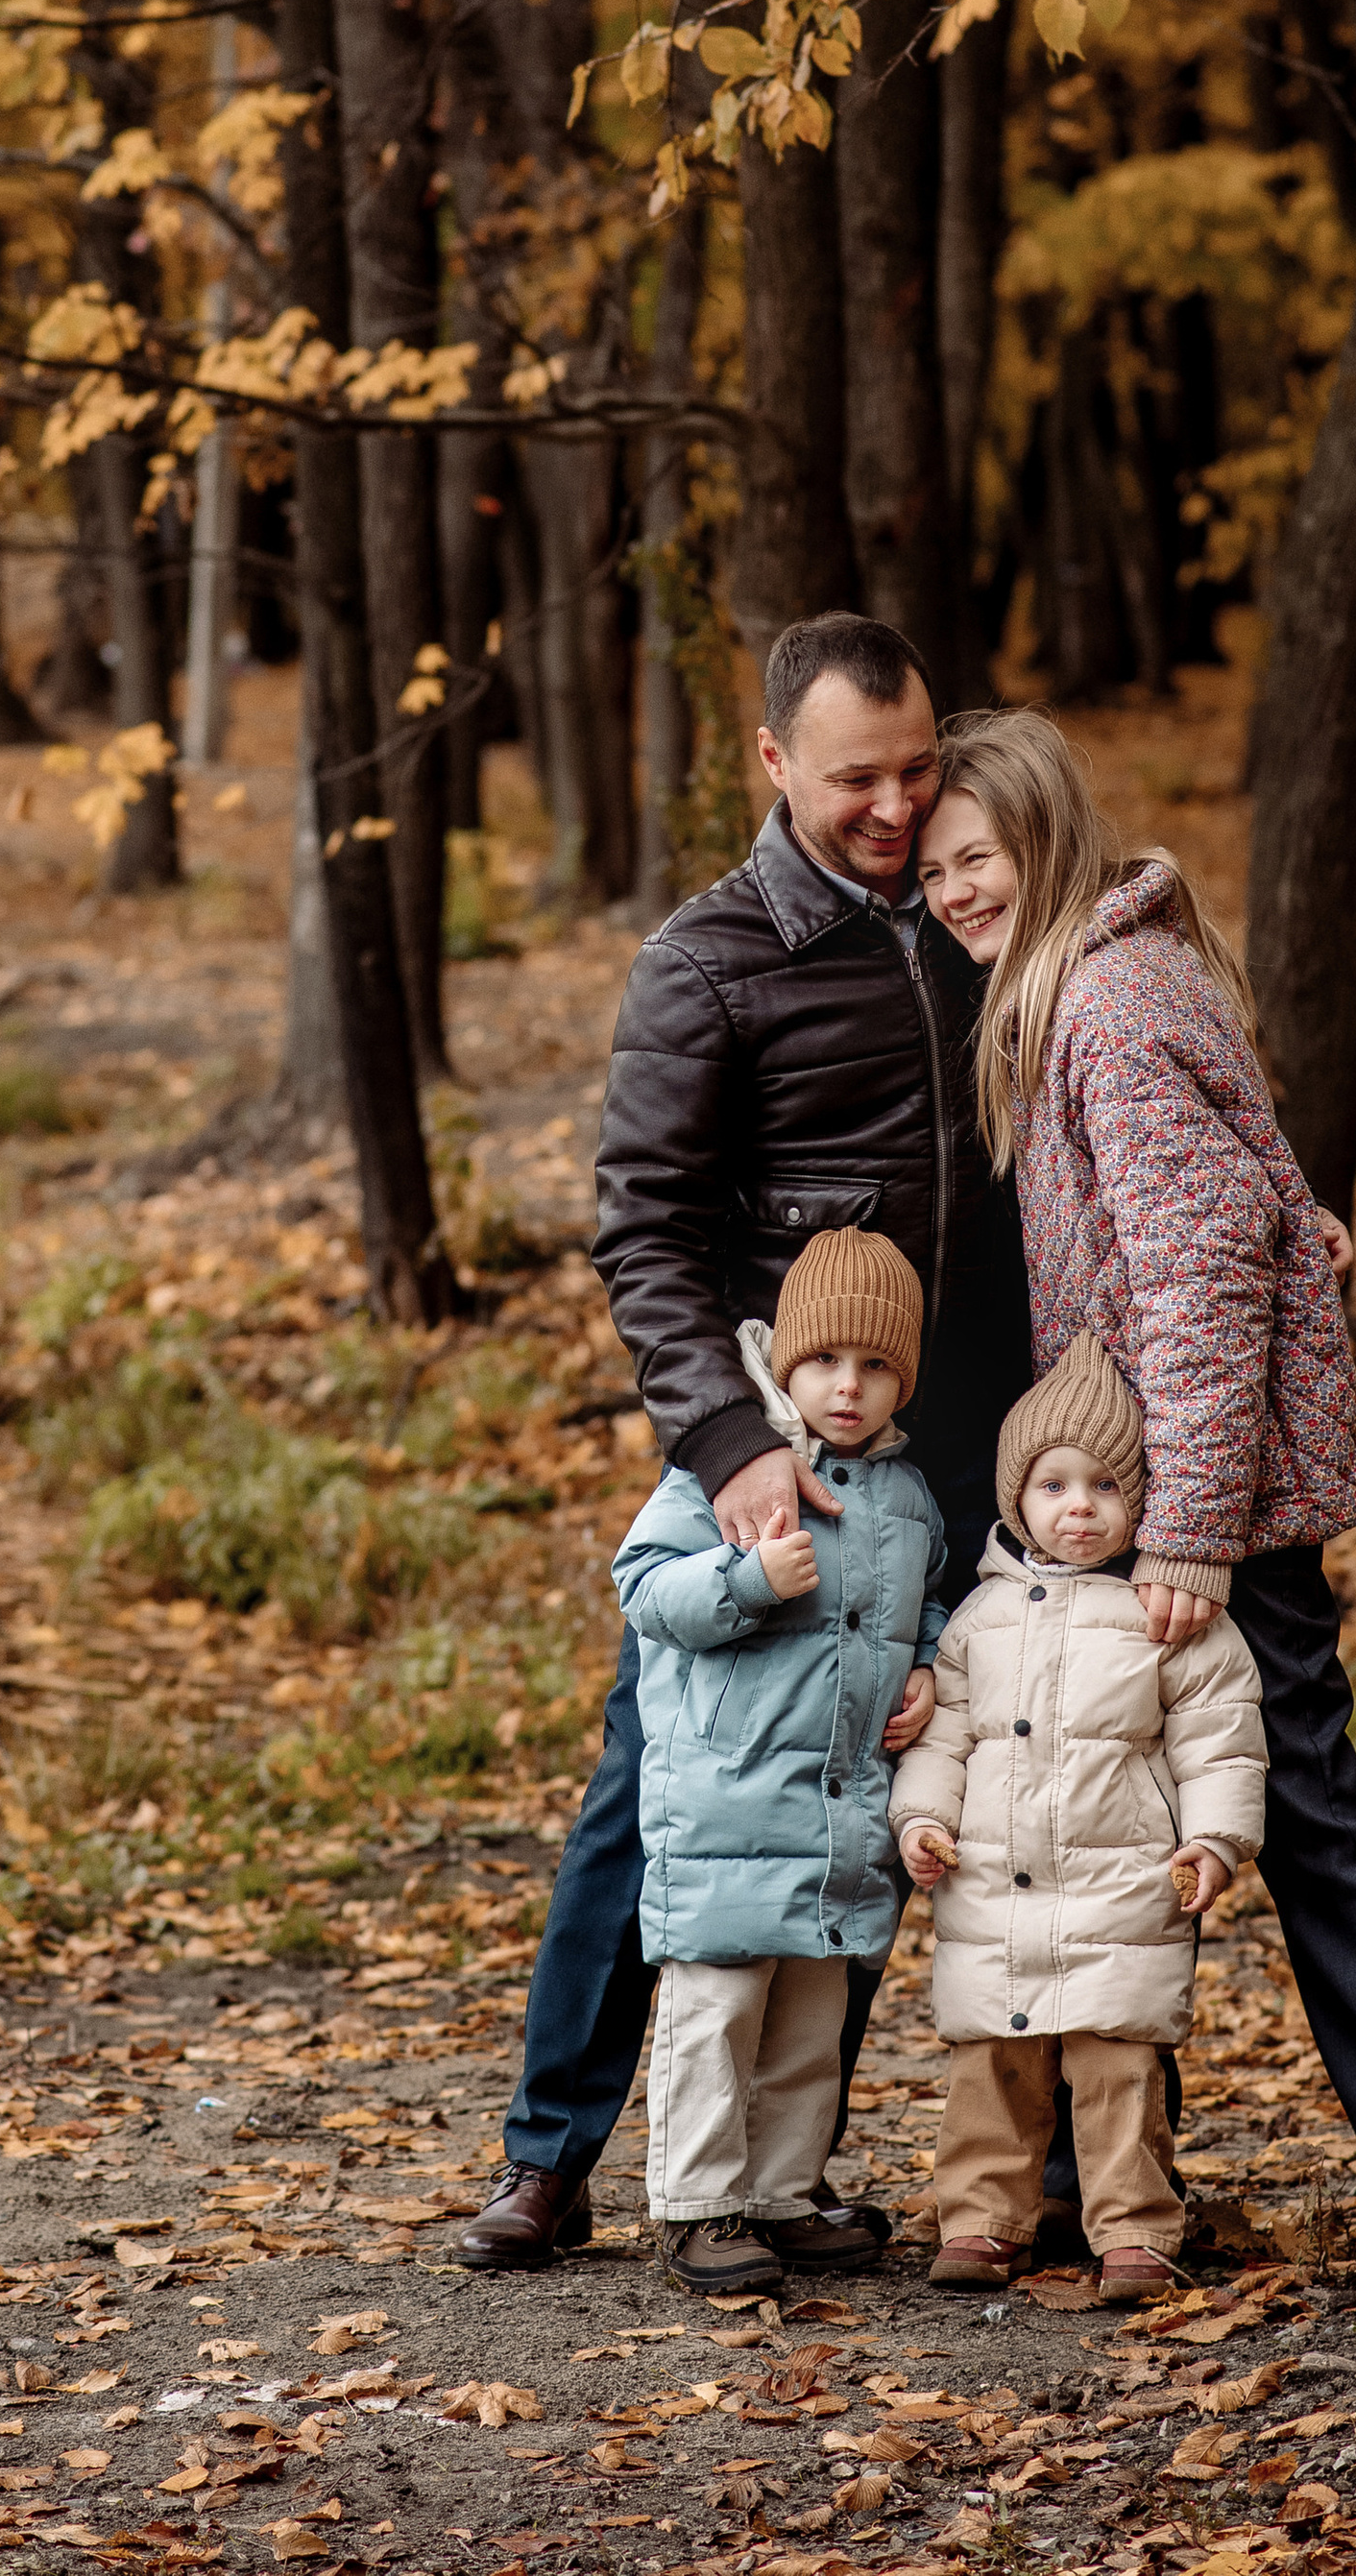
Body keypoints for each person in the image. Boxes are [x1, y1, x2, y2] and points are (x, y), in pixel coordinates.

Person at [915, 707, 1356, 2296]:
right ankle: (1084, 2187)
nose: (953, 892)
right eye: (932, 871)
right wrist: (1299, 1205)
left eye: (974, 859)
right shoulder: (1098, 980)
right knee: (1088, 1810)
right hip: (1136, 1490)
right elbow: (1239, 1190)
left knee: (1311, 1815)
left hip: (1209, 1508)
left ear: (1043, 840)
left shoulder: (1106, 1006)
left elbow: (1196, 1286)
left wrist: (1189, 1524)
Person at [459, 611, 1040, 2271]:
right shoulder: (711, 958)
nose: (896, 804)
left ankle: (776, 2174)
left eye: (920, 767)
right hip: (775, 1440)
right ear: (777, 763)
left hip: (944, 1449)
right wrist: (727, 1445)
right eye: (860, 775)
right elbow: (643, 1227)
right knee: (663, 1785)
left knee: (861, 1788)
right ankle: (551, 2154)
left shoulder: (972, 917)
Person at [892, 1335, 1266, 2302]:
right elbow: (943, 1740)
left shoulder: (1170, 1615)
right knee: (993, 2069)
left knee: (1118, 2073)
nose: (1078, 1508)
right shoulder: (977, 1619)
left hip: (1122, 1887)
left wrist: (1213, 1841)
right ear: (1018, 1497)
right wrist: (922, 1822)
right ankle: (980, 2219)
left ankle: (1137, 2232)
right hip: (995, 1889)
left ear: (1138, 1500)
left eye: (1103, 1486)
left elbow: (1219, 1738)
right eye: (1053, 1486)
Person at [616, 1228, 947, 2295]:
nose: (847, 1388)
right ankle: (697, 2202)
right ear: (783, 1364)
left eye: (876, 1367)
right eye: (823, 1364)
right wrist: (747, 1578)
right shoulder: (720, 1473)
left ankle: (781, 2192)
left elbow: (929, 1602)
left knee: (812, 2016)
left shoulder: (908, 1502)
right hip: (725, 1799)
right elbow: (644, 1589)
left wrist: (930, 1668)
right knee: (715, 2010)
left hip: (837, 1809)